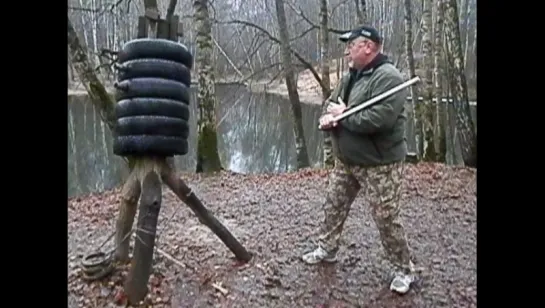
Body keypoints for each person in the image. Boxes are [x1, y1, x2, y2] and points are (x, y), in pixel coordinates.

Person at [302, 25, 417, 294]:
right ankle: (327, 249)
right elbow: (333, 103)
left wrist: (345, 115)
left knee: (386, 218)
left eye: (350, 45)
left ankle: (403, 270)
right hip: (347, 160)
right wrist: (328, 118)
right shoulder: (351, 76)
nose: (346, 52)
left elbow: (379, 120)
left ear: (368, 47)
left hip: (380, 165)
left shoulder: (390, 78)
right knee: (333, 205)